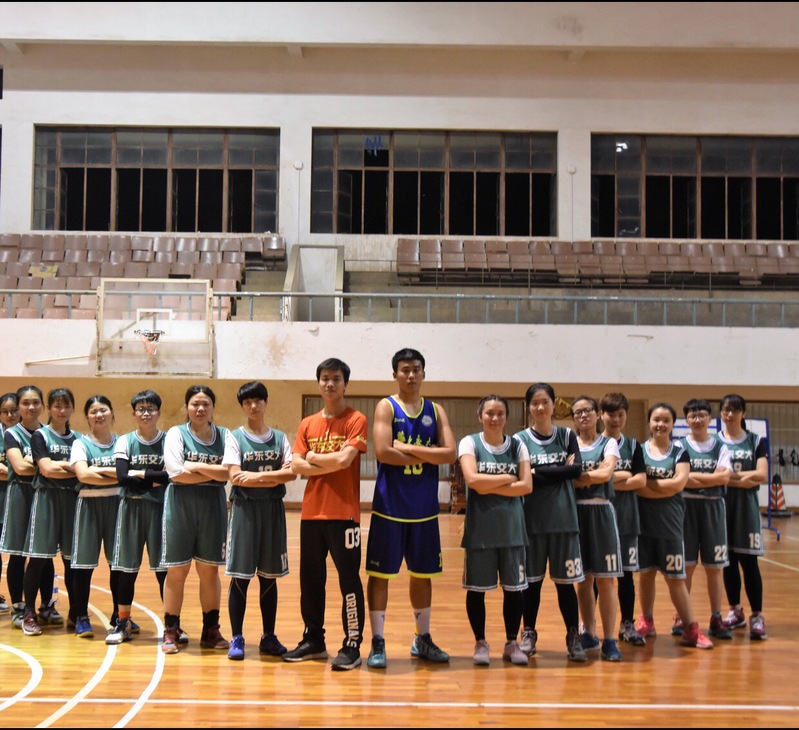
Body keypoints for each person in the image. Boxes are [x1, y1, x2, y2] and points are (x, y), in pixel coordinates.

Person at [365, 348, 456, 669]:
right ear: (395, 374)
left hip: (424, 509)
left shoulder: (436, 410)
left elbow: (450, 454)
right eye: (405, 369)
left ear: (424, 373)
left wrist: (406, 447)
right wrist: (428, 454)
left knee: (422, 575)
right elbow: (383, 452)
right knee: (380, 575)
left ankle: (422, 638)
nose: (411, 375)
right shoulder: (386, 407)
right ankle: (377, 641)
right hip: (389, 507)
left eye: (416, 369)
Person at [284, 358, 368, 671]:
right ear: (319, 383)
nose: (330, 383)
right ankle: (313, 640)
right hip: (311, 515)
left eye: (336, 378)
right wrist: (325, 462)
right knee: (310, 580)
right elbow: (296, 466)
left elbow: (346, 461)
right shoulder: (307, 424)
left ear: (345, 384)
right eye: (324, 378)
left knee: (349, 580)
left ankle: (352, 644)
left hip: (344, 515)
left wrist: (313, 457)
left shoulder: (356, 419)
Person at [222, 381, 295, 661]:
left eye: (258, 400)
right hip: (245, 510)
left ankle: (268, 636)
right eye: (247, 402)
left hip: (272, 509)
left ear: (266, 402)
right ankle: (237, 636)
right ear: (243, 406)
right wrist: (273, 476)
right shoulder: (234, 437)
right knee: (241, 575)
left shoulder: (280, 438)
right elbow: (235, 476)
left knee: (269, 576)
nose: (253, 406)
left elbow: (291, 473)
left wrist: (255, 477)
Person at [514, 383, 586, 662]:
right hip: (530, 522)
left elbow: (576, 470)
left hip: (564, 521)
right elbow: (523, 476)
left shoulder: (567, 435)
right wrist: (560, 470)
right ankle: (528, 633)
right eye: (535, 403)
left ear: (554, 405)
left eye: (545, 402)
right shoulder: (520, 440)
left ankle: (573, 635)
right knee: (531, 584)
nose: (540, 407)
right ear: (528, 407)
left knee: (565, 585)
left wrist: (538, 471)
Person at [458, 395, 532, 666]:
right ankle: (480, 642)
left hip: (512, 530)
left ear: (506, 417)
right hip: (481, 530)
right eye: (489, 413)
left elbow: (527, 486)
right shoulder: (469, 442)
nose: (495, 418)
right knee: (477, 590)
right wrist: (508, 478)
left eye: (500, 413)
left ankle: (512, 643)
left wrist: (488, 485)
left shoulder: (518, 445)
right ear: (480, 416)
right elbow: (472, 480)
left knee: (514, 589)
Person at [634, 403, 713, 649]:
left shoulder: (679, 452)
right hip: (643, 524)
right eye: (656, 419)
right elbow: (637, 485)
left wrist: (649, 485)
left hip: (670, 525)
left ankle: (691, 628)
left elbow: (679, 483)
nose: (661, 424)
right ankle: (647, 621)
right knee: (645, 574)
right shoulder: (639, 450)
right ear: (649, 422)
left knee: (676, 579)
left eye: (666, 420)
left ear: (672, 424)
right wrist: (662, 486)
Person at [161, 385, 230, 654]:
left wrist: (196, 466)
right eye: (195, 404)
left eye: (205, 404)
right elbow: (176, 474)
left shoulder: (225, 436)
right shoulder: (176, 433)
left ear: (213, 407)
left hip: (213, 506)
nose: (200, 408)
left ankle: (210, 630)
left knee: (209, 571)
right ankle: (171, 629)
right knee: (177, 570)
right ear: (187, 407)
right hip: (180, 505)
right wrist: (213, 473)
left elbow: (229, 473)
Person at [107, 390, 169, 645]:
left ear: (158, 412)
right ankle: (122, 622)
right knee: (126, 569)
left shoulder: (168, 440)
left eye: (151, 408)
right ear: (133, 413)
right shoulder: (125, 440)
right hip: (130, 509)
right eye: (141, 409)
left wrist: (139, 474)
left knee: (164, 570)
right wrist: (152, 478)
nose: (146, 413)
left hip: (160, 509)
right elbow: (122, 477)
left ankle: (172, 625)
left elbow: (170, 475)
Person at [21, 388, 79, 636]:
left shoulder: (79, 439)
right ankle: (29, 613)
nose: (61, 410)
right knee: (37, 559)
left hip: (72, 501)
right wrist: (72, 468)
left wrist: (64, 468)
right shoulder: (40, 436)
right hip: (46, 499)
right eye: (57, 406)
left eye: (66, 406)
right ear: (49, 408)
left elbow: (81, 472)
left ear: (72, 409)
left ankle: (76, 612)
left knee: (72, 562)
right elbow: (46, 469)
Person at [571, 396, 623, 662]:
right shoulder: (570, 443)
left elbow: (606, 474)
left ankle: (609, 639)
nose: (583, 415)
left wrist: (577, 476)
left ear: (597, 413)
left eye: (588, 410)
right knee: (583, 579)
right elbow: (567, 479)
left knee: (606, 580)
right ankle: (589, 633)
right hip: (576, 513)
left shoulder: (608, 443)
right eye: (578, 412)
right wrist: (583, 477)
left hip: (602, 512)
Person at [676, 398, 732, 641]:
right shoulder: (679, 446)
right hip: (686, 508)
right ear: (686, 420)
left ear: (710, 418)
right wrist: (711, 477)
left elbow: (725, 478)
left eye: (702, 415)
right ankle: (683, 617)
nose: (697, 419)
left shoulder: (720, 446)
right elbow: (682, 479)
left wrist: (694, 477)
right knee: (686, 566)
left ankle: (716, 617)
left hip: (713, 507)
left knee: (714, 567)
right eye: (692, 416)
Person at [1, 385, 57, 629]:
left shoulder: (48, 433)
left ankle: (46, 605)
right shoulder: (12, 434)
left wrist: (41, 464)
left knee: (44, 553)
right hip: (21, 496)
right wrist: (45, 466)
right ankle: (18, 606)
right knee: (18, 554)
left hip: (45, 494)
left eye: (36, 402)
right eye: (25, 403)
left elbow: (57, 464)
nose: (31, 407)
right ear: (19, 407)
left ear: (43, 406)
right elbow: (20, 468)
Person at [717, 394, 769, 640]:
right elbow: (720, 476)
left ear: (743, 413)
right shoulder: (715, 442)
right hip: (721, 506)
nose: (730, 414)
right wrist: (745, 479)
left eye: (735, 410)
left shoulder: (756, 441)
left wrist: (730, 478)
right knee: (728, 562)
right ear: (721, 413)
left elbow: (762, 475)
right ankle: (735, 611)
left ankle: (757, 615)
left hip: (746, 509)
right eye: (726, 410)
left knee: (749, 562)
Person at [69, 395, 122, 638]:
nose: (99, 415)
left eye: (103, 410)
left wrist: (96, 470)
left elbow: (127, 474)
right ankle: (81, 617)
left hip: (117, 504)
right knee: (84, 566)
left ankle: (119, 616)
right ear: (87, 416)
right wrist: (115, 474)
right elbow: (83, 475)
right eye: (93, 411)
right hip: (88, 505)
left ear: (111, 413)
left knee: (118, 565)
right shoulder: (80, 444)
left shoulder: (122, 442)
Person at [599, 392, 647, 647]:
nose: (615, 419)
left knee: (626, 576)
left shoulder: (634, 446)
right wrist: (623, 475)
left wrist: (607, 478)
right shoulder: (593, 444)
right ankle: (588, 625)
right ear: (601, 415)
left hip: (627, 519)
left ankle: (627, 623)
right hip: (598, 520)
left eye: (620, 414)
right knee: (595, 576)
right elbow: (591, 477)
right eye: (611, 414)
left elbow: (640, 480)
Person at [0, 392, 21, 614]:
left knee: (18, 554)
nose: (10, 415)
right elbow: (22, 469)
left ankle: (22, 602)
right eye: (4, 412)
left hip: (18, 500)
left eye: (14, 410)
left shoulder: (27, 435)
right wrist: (17, 469)